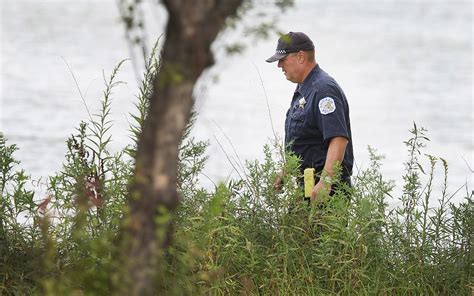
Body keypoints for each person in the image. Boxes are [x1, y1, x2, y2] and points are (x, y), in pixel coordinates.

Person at [266, 31, 354, 202]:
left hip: (326, 192)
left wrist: (326, 182)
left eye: (282, 60)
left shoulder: (323, 90)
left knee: (323, 230)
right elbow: (306, 141)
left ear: (300, 57)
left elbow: (338, 138)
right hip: (307, 186)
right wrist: (286, 171)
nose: (279, 66)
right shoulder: (304, 89)